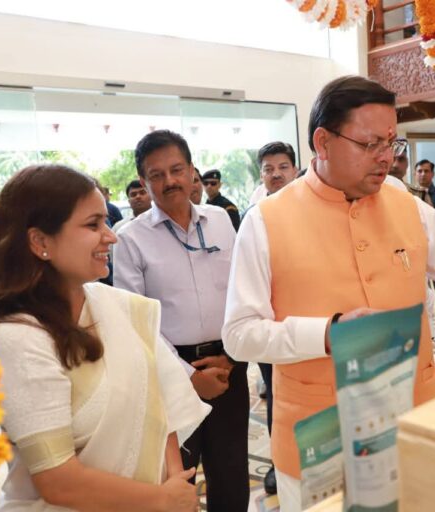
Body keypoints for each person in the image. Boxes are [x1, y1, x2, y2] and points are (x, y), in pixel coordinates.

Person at [222, 76, 435, 511]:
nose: (386, 157)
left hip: (411, 422)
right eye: (369, 144)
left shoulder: (407, 206)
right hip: (320, 438)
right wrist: (327, 334)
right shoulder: (266, 220)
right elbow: (239, 334)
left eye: (391, 143)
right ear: (322, 142)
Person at [0, 164, 209, 512]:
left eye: (106, 222)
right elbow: (58, 480)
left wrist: (173, 482)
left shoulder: (118, 306)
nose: (111, 236)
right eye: (92, 225)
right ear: (40, 241)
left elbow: (160, 404)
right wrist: (160, 499)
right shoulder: (18, 338)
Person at [113, 130, 249, 512]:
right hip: (170, 376)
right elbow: (135, 323)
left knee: (232, 475)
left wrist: (232, 357)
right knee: (177, 482)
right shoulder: (130, 239)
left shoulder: (221, 221)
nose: (169, 181)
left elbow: (241, 291)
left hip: (229, 366)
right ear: (143, 182)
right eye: (156, 175)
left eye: (176, 170)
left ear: (192, 171)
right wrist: (188, 377)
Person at [246, 140, 301, 496]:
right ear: (261, 175)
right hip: (270, 327)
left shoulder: (313, 210)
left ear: (295, 170)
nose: (276, 174)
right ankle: (279, 463)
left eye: (282, 167)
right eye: (268, 169)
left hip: (313, 323)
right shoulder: (254, 217)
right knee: (276, 394)